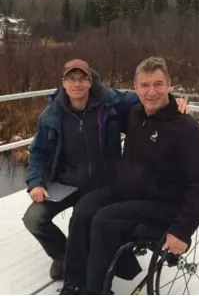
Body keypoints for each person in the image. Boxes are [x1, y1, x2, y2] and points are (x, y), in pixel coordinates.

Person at [60, 57, 199, 295]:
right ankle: (74, 282)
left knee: (104, 219)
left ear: (169, 85)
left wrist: (182, 230)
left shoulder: (186, 128)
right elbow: (99, 104)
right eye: (144, 85)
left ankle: (96, 290)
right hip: (129, 192)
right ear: (135, 87)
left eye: (158, 84)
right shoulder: (134, 114)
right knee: (84, 207)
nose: (151, 92)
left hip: (163, 202)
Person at [22, 58, 187, 281]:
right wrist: (36, 182)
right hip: (66, 183)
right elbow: (38, 152)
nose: (77, 84)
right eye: (72, 79)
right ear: (63, 83)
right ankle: (65, 257)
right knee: (33, 218)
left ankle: (84, 265)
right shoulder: (51, 115)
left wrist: (174, 102)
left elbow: (149, 95)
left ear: (91, 81)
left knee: (81, 217)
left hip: (105, 182)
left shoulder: (110, 102)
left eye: (82, 79)